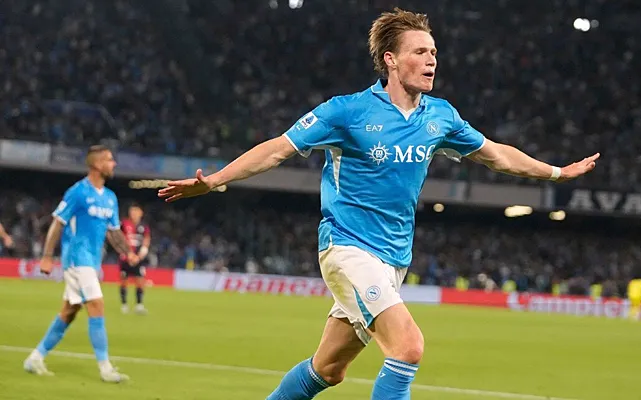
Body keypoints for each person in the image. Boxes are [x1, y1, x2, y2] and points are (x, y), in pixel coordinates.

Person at [158, 8, 599, 399]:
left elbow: (497, 155)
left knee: (328, 370)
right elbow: (277, 149)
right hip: (348, 247)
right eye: (420, 52)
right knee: (407, 347)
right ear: (391, 60)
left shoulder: (440, 116)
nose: (432, 60)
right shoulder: (346, 112)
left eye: (434, 52)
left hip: (394, 259)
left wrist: (556, 173)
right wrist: (215, 181)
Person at [23, 145, 138, 383]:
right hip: (76, 258)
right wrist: (47, 256)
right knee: (96, 304)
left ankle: (35, 357)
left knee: (69, 312)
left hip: (92, 261)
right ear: (96, 164)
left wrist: (128, 252)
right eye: (109, 160)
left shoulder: (110, 197)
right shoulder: (78, 192)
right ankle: (105, 368)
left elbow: (114, 231)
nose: (114, 164)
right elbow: (57, 223)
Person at [119, 202, 151, 314]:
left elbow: (146, 241)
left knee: (140, 281)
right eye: (132, 211)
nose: (133, 213)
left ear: (141, 213)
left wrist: (140, 256)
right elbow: (119, 238)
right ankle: (124, 305)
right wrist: (126, 253)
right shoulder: (123, 224)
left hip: (138, 258)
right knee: (124, 281)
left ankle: (139, 305)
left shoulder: (144, 226)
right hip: (125, 257)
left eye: (136, 211)